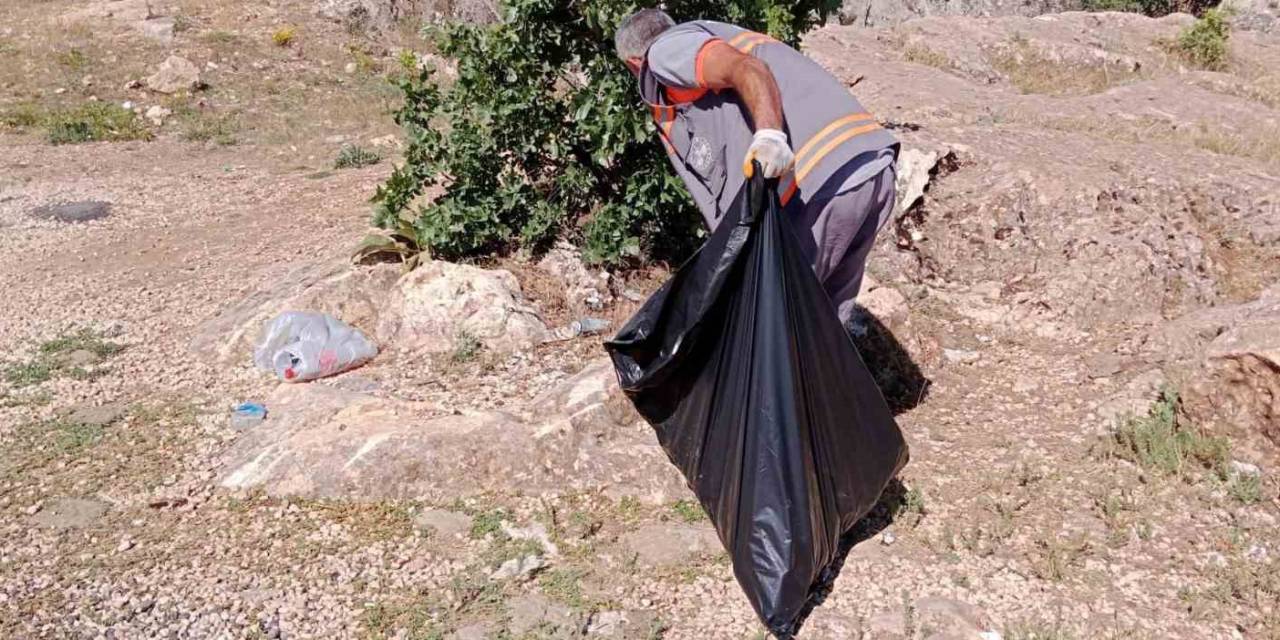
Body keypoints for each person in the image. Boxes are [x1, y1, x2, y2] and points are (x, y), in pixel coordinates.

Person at [614, 8, 899, 325]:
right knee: (819, 331)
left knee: (766, 322)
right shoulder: (715, 37)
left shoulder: (666, 52)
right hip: (869, 170)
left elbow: (746, 68)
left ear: (633, 63)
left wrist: (770, 136)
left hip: (819, 185)